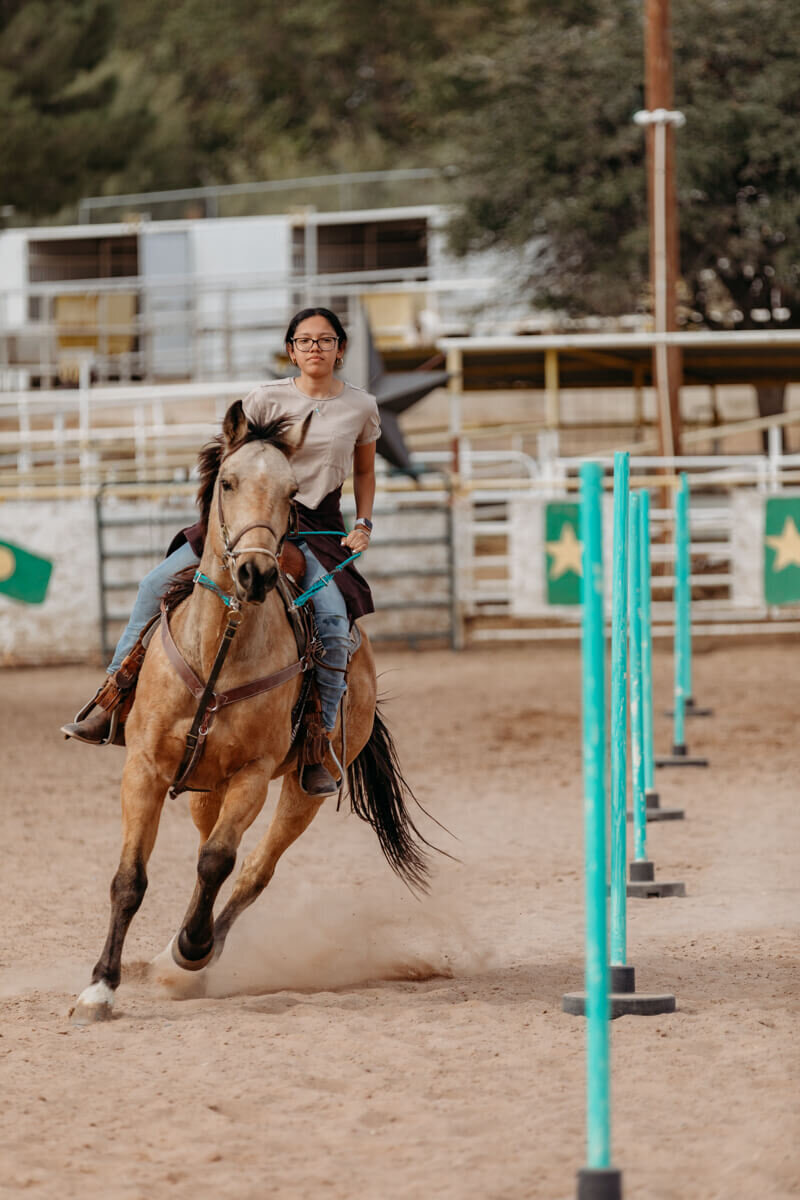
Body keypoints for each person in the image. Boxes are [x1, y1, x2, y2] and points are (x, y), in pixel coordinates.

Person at [62, 306, 380, 796]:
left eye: (325, 340)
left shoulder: (361, 406)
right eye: (305, 340)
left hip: (314, 527)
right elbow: (233, 458)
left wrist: (362, 523)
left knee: (335, 621)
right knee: (153, 585)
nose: (315, 348)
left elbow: (364, 472)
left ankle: (318, 739)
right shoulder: (264, 398)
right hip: (252, 517)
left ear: (341, 348)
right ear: (291, 349)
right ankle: (111, 695)